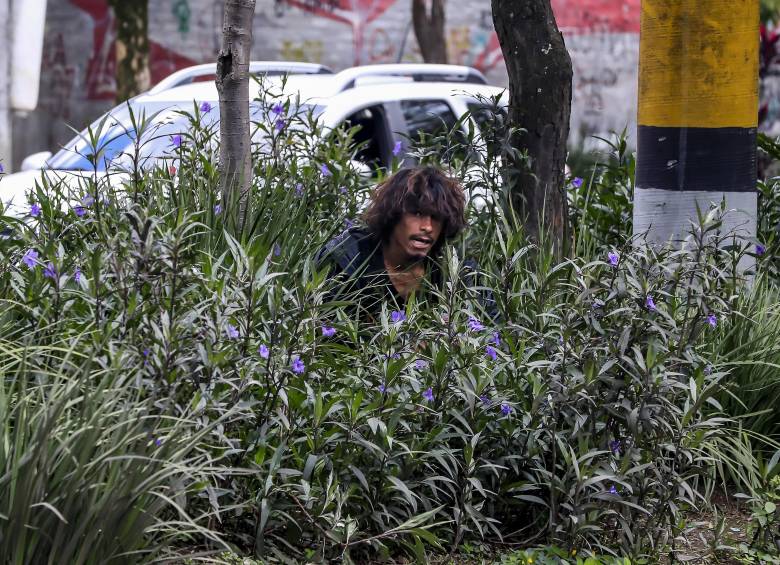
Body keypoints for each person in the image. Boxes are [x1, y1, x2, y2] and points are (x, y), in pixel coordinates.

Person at [316, 165, 467, 319]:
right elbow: (324, 331)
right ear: (394, 214)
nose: (427, 227)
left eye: (436, 217)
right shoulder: (348, 259)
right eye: (417, 213)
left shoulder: (448, 268)